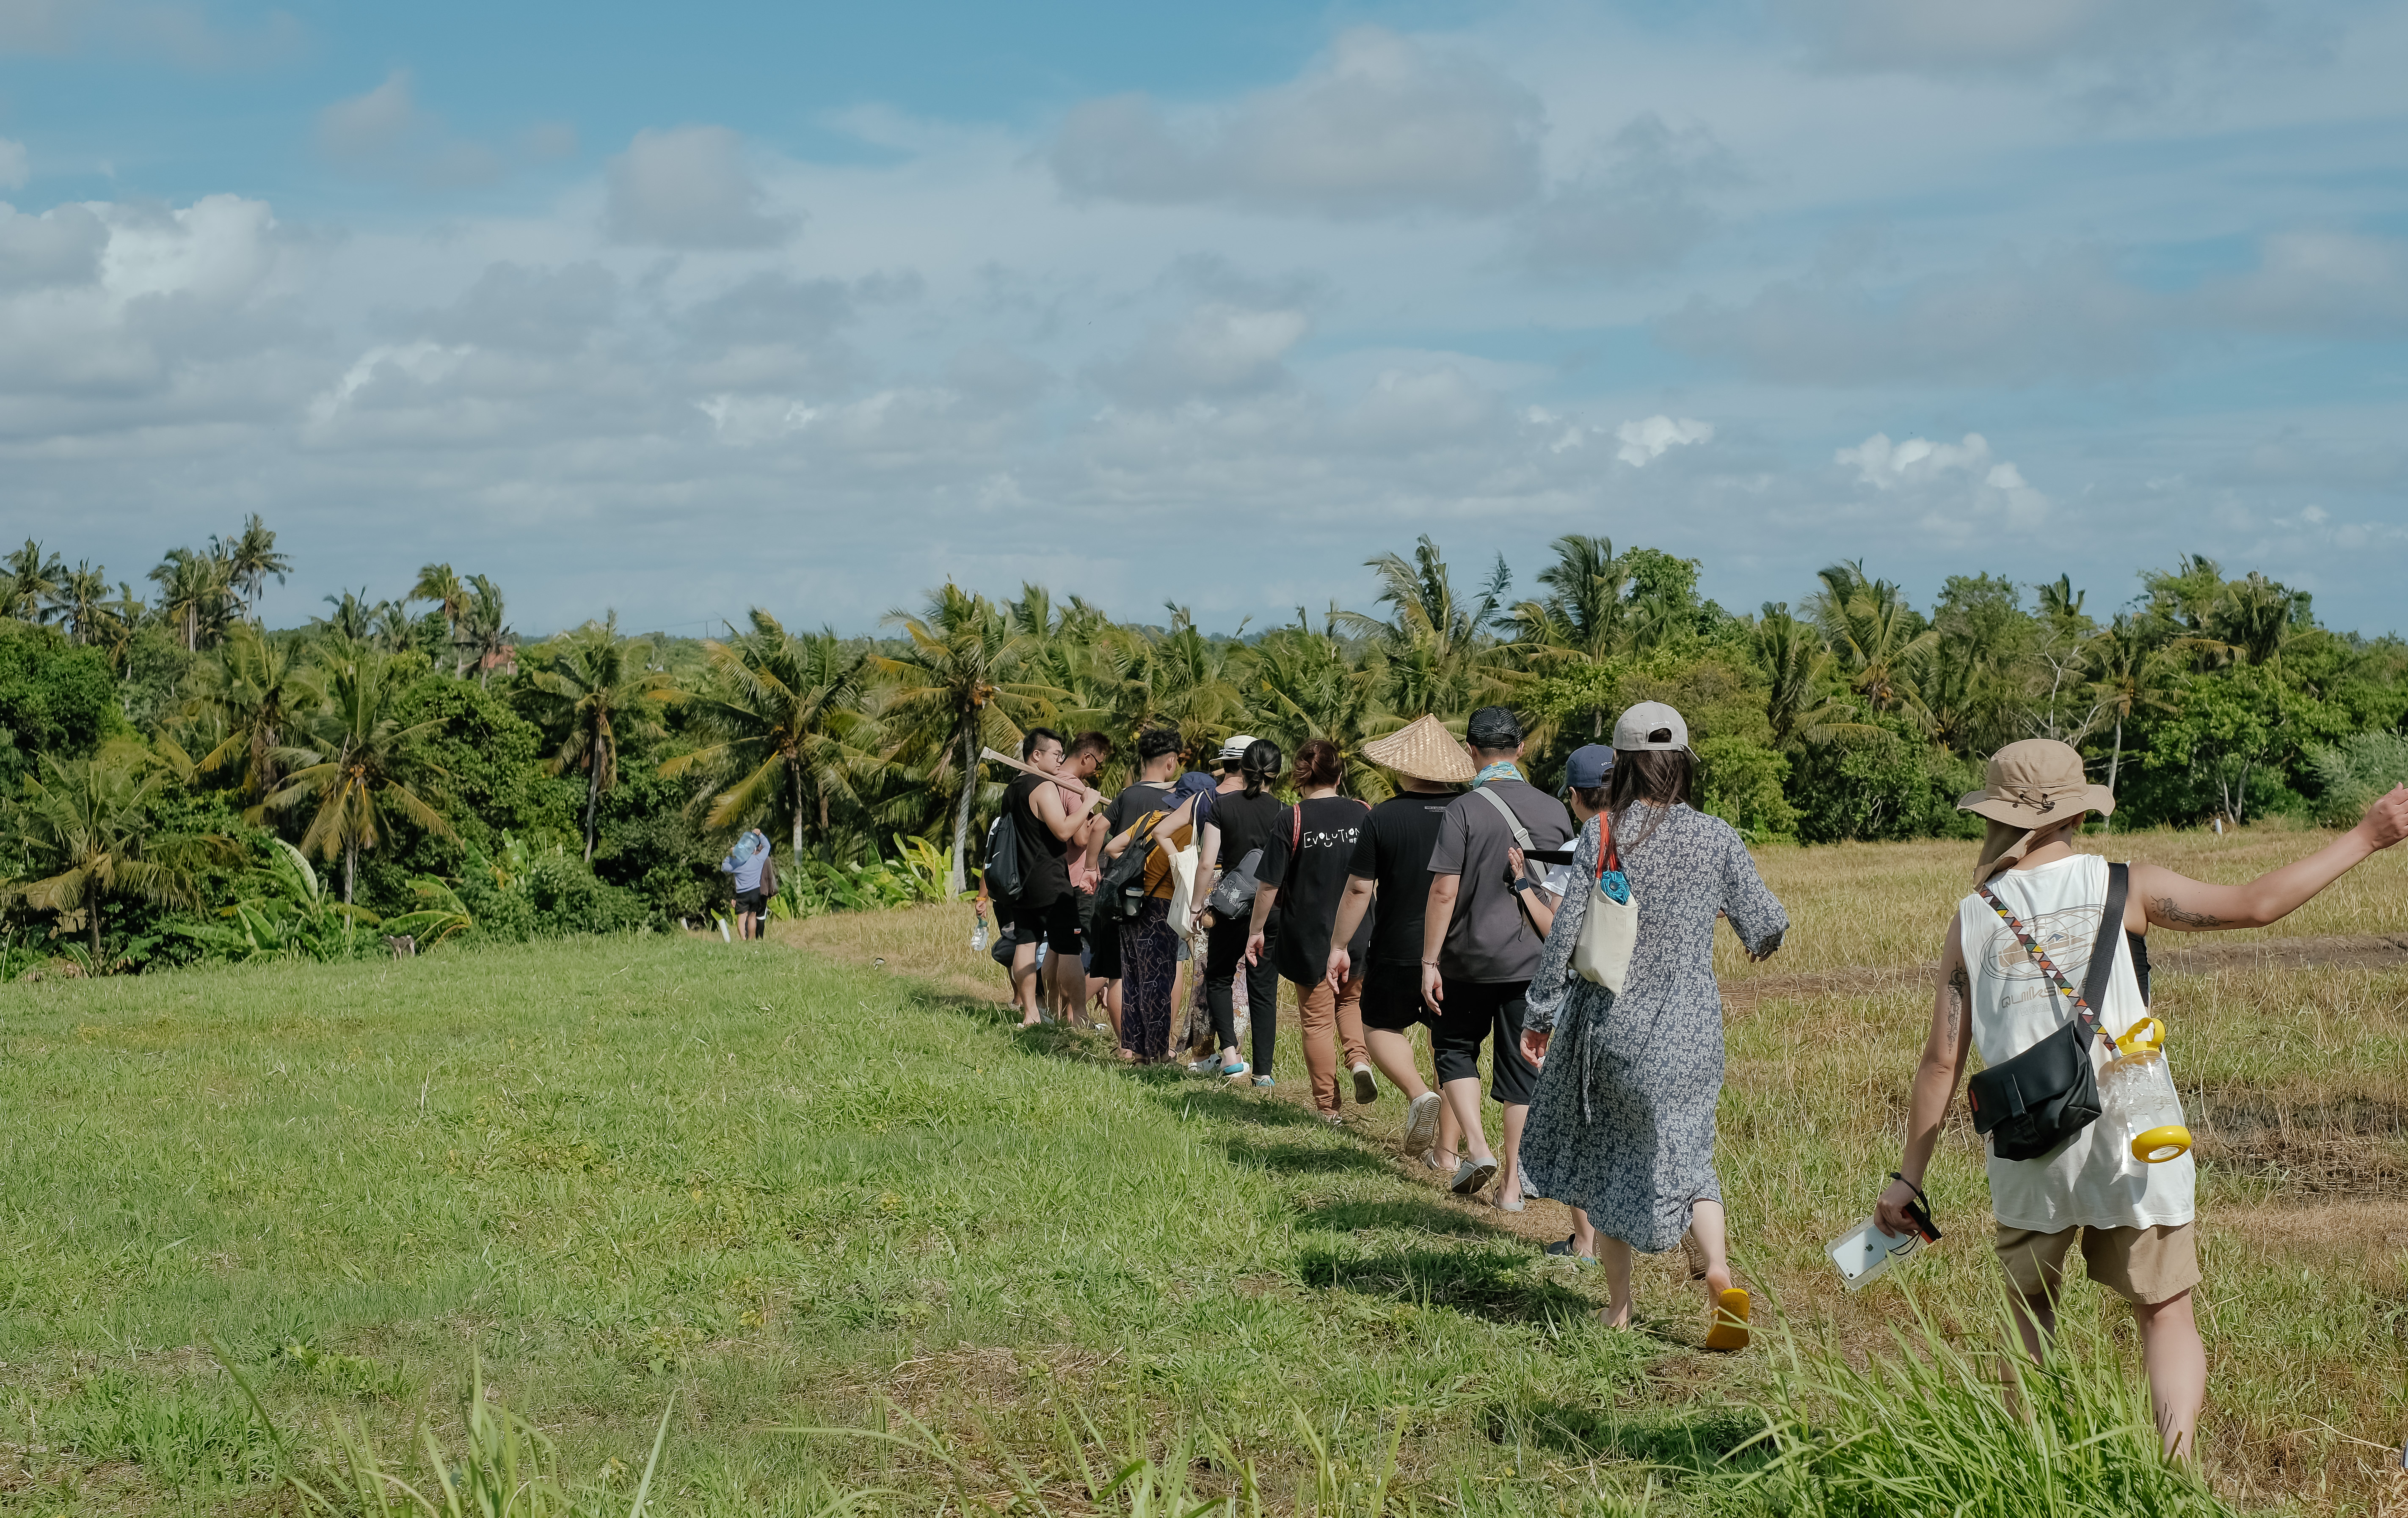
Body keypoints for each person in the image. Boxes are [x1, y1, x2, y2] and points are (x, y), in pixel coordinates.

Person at [1873, 740, 2408, 1458]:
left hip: (2028, 1142)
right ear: (2073, 811)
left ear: (1996, 814)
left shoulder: (1972, 916)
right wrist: (2364, 836)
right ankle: (2171, 1475)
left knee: (2027, 1313)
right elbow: (2254, 906)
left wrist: (1907, 1178)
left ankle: (2030, 1473)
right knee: (2163, 1315)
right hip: (2134, 1137)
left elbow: (1940, 1059)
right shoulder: (2123, 886)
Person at [1520, 704, 1787, 1348]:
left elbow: (1564, 934)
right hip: (1694, 1033)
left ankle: (1618, 1306)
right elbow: (1768, 923)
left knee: (1613, 1156)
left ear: (1621, 765)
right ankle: (1719, 1272)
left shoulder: (1603, 832)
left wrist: (1540, 1012)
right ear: (1683, 762)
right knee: (1692, 1155)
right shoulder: (1717, 835)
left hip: (1612, 1027)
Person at [1421, 706, 1572, 1209]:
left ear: (1471, 750)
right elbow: (1558, 892)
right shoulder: (1554, 810)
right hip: (1532, 961)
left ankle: (1476, 1146)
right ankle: (1511, 1187)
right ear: (1521, 749)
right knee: (1521, 1072)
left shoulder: (1463, 810)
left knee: (1454, 1049)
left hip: (1467, 958)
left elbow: (1444, 890)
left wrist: (1429, 960)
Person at [1326, 714, 1469, 1163]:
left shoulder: (1384, 815)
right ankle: (1446, 1153)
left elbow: (1357, 888)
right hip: (1459, 948)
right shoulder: (1470, 810)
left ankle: (1415, 1091)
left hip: (1397, 946)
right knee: (1449, 1049)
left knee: (1379, 1026)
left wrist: (1338, 945)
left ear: (1402, 767)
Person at [1245, 738, 1376, 1123]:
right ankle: (1359, 1060)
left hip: (1309, 935)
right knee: (1350, 1003)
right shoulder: (1364, 813)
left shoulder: (1292, 818)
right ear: (1339, 773)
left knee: (1316, 1019)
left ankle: (1327, 1107)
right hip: (1359, 930)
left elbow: (1268, 885)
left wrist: (1255, 930)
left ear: (1300, 776)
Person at [1104, 758, 1210, 1063]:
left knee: (1133, 978)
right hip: (1160, 906)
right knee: (1158, 981)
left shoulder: (1150, 818)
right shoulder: (1187, 829)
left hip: (1130, 905)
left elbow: (1112, 848)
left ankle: (1137, 1051)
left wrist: (1138, 865)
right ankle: (1159, 1053)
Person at [1192, 737, 1284, 1084]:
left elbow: (1206, 862)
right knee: (1264, 989)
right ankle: (1263, 1073)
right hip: (1270, 908)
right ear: (1277, 773)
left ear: (1241, 768)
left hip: (1231, 906)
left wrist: (1197, 905)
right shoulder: (1281, 811)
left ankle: (1230, 1054)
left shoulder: (1222, 805)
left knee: (1218, 976)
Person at [1002, 727, 1087, 1029]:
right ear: (1035, 755)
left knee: (1026, 944)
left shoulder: (1013, 787)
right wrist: (1088, 804)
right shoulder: (1043, 786)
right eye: (1055, 754)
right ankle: (1079, 1016)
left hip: (1021, 880)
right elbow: (1064, 831)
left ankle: (1031, 1014)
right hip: (1050, 881)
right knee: (1069, 947)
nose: (1060, 760)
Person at [1058, 731, 1114, 1026]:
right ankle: (1074, 1013)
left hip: (1060, 878)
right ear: (1086, 757)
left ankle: (1063, 1011)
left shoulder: (1050, 780)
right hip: (1081, 878)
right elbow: (1080, 837)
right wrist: (1096, 819)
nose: (1097, 770)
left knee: (1062, 948)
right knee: (1090, 950)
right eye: (1098, 764)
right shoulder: (1074, 788)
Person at [719, 828, 771, 940]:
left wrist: (730, 856)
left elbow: (724, 867)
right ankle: (751, 940)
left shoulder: (737, 863)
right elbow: (767, 847)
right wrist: (760, 834)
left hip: (742, 894)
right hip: (755, 892)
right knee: (753, 916)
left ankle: (743, 938)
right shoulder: (758, 859)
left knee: (742, 918)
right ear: (753, 850)